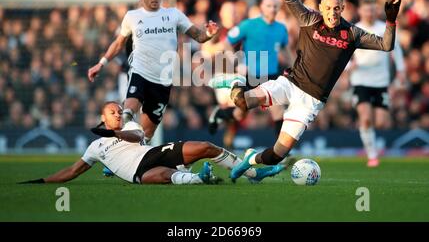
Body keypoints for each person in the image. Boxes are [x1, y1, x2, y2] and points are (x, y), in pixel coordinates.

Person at [211, 0, 401, 181]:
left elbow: (386, 45)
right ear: (321, 7)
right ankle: (236, 80)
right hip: (289, 83)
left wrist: (391, 22)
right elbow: (291, 0)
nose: (332, 12)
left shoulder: (352, 33)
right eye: (328, 8)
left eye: (337, 8)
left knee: (277, 154)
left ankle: (250, 160)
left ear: (343, 8)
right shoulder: (311, 20)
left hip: (311, 101)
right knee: (242, 102)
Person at [19, 102, 284, 185]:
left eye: (120, 110)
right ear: (102, 117)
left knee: (205, 146)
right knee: (164, 177)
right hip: (139, 172)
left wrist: (118, 135)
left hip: (155, 153)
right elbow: (72, 171)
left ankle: (252, 173)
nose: (118, 113)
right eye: (112, 111)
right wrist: (41, 182)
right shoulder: (95, 148)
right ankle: (203, 180)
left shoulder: (129, 128)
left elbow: (136, 138)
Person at [87, 0, 219, 145]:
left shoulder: (173, 15)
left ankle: (125, 153)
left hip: (163, 81)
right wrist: (101, 63)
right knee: (128, 112)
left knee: (145, 136)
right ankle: (120, 130)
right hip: (140, 71)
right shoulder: (132, 17)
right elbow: (119, 43)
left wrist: (209, 34)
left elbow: (199, 36)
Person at [208, 0, 292, 148]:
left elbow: (285, 50)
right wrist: (235, 61)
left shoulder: (281, 29)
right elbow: (226, 42)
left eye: (275, 6)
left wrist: (293, 67)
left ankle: (281, 151)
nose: (272, 9)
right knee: (241, 113)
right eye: (269, 6)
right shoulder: (249, 25)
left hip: (270, 76)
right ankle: (221, 114)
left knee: (277, 110)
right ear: (261, 7)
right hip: (249, 75)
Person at [348, 0, 406, 167]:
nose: (370, 13)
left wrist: (401, 70)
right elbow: (342, 55)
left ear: (377, 11)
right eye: (366, 9)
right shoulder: (354, 29)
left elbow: (396, 50)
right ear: (360, 11)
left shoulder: (385, 28)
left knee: (381, 122)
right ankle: (372, 155)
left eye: (373, 9)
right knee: (365, 118)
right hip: (360, 81)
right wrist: (349, 66)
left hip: (381, 82)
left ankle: (370, 141)